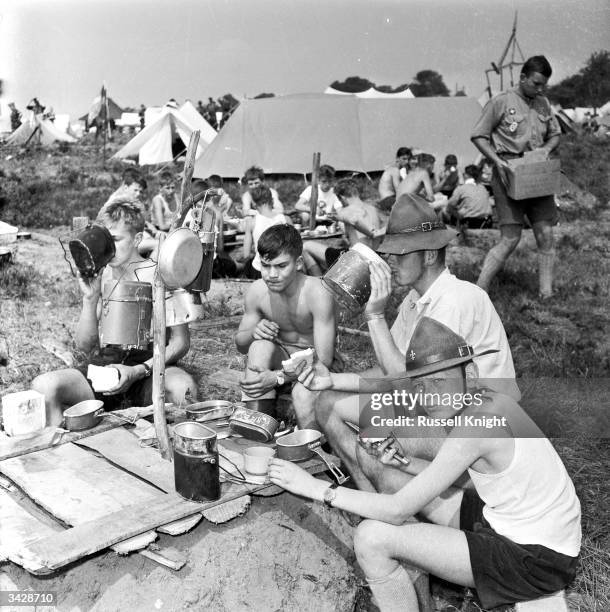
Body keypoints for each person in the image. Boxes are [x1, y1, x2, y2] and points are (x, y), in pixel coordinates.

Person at [270, 316, 581, 612]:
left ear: (469, 375)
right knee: (393, 479)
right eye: (420, 386)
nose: (429, 396)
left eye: (439, 381)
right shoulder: (481, 401)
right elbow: (477, 481)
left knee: (371, 538)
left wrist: (316, 488)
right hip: (517, 524)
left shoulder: (476, 425)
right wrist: (405, 464)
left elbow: (397, 509)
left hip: (536, 560)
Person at [310, 195, 520, 489]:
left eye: (401, 254)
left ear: (430, 255)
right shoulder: (414, 299)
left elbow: (407, 384)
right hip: (436, 410)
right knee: (327, 403)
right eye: (391, 253)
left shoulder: (457, 299)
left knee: (375, 439)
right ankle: (369, 496)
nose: (392, 261)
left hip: (476, 432)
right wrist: (329, 380)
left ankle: (400, 508)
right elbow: (388, 371)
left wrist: (375, 316)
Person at [32, 202, 197, 426]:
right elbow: (85, 346)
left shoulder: (161, 274)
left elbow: (180, 342)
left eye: (116, 240)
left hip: (151, 366)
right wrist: (90, 300)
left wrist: (138, 371)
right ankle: (66, 450)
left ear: (137, 239)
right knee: (44, 386)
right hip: (108, 368)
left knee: (183, 389)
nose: (108, 248)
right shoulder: (104, 275)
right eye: (105, 240)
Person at [471, 55, 561, 298]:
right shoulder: (501, 101)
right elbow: (479, 136)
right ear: (522, 78)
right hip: (508, 173)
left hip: (537, 174)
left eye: (544, 85)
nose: (540, 89)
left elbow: (555, 134)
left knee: (546, 234)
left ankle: (546, 294)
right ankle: (478, 291)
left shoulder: (543, 103)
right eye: (536, 83)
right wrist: (497, 161)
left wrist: (545, 149)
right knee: (510, 238)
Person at [235, 225, 339, 428]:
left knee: (302, 392)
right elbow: (240, 344)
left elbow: (324, 359)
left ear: (298, 263)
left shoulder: (317, 292)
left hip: (315, 364)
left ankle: (312, 446)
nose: (272, 274)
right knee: (259, 346)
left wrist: (277, 378)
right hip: (282, 358)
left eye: (281, 266)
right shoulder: (257, 292)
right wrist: (253, 333)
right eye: (266, 266)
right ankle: (256, 427)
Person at [301, 178, 386, 276]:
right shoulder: (373, 209)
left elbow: (355, 220)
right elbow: (383, 234)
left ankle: (318, 282)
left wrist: (371, 233)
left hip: (357, 260)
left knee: (306, 246)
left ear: (342, 197)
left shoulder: (346, 211)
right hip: (376, 259)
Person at [240, 185, 289, 279]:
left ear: (254, 203)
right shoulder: (285, 219)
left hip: (261, 270)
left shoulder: (251, 222)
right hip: (282, 269)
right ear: (272, 200)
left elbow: (246, 254)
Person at [443, 164, 493, 229]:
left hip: (470, 222)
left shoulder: (461, 188)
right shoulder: (483, 188)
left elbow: (450, 205)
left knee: (445, 210)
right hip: (486, 222)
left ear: (466, 175)